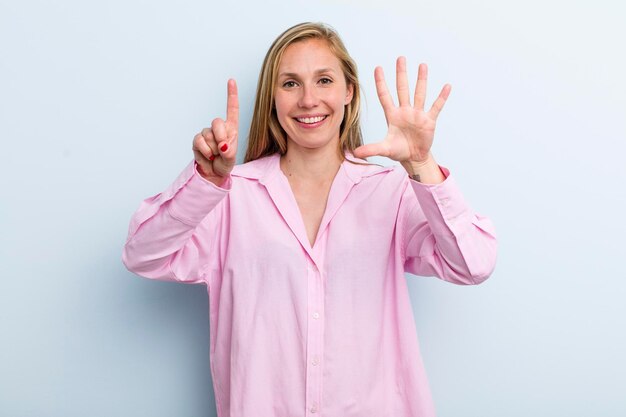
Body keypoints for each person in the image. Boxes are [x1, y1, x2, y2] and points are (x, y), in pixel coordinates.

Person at [122, 22, 497, 417]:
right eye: (290, 84)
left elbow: (473, 264)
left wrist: (422, 164)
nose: (308, 99)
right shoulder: (232, 196)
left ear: (348, 92)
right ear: (273, 98)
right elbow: (142, 255)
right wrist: (206, 182)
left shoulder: (392, 191)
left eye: (323, 80)